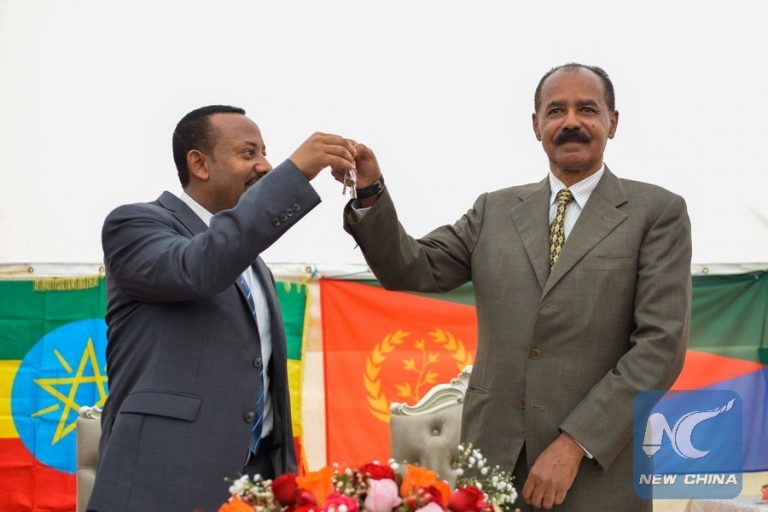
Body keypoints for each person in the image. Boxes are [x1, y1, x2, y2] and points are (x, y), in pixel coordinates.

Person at [336, 64, 691, 511]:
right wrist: (371, 191)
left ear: (612, 122)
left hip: (598, 472)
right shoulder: (495, 211)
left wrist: (575, 443)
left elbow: (660, 346)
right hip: (494, 466)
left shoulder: (656, 213)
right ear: (536, 125)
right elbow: (411, 268)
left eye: (587, 109)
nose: (571, 122)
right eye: (556, 111)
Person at [88, 105, 356, 512]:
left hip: (256, 487)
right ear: (199, 164)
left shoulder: (254, 265)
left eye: (265, 153)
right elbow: (197, 267)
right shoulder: (135, 226)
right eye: (249, 153)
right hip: (162, 481)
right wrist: (294, 175)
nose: (265, 166)